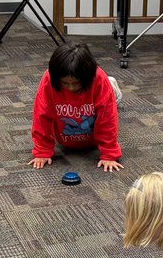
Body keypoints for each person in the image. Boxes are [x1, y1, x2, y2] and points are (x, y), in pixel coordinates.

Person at [30, 42, 123, 173]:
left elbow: (107, 119)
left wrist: (109, 153)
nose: (71, 88)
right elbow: (41, 115)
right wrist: (42, 150)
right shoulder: (49, 80)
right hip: (65, 139)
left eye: (76, 83)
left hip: (93, 122)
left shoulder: (98, 79)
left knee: (110, 103)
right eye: (65, 83)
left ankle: (112, 87)